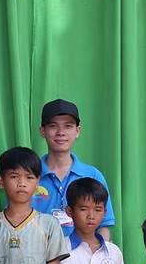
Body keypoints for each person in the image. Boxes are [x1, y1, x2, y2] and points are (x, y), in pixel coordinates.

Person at [33, 98, 115, 239]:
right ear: (42, 131)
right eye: (53, 126)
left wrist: (100, 252)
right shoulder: (29, 175)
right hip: (37, 252)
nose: (61, 132)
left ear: (77, 131)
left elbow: (103, 226)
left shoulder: (92, 175)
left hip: (83, 252)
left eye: (68, 126)